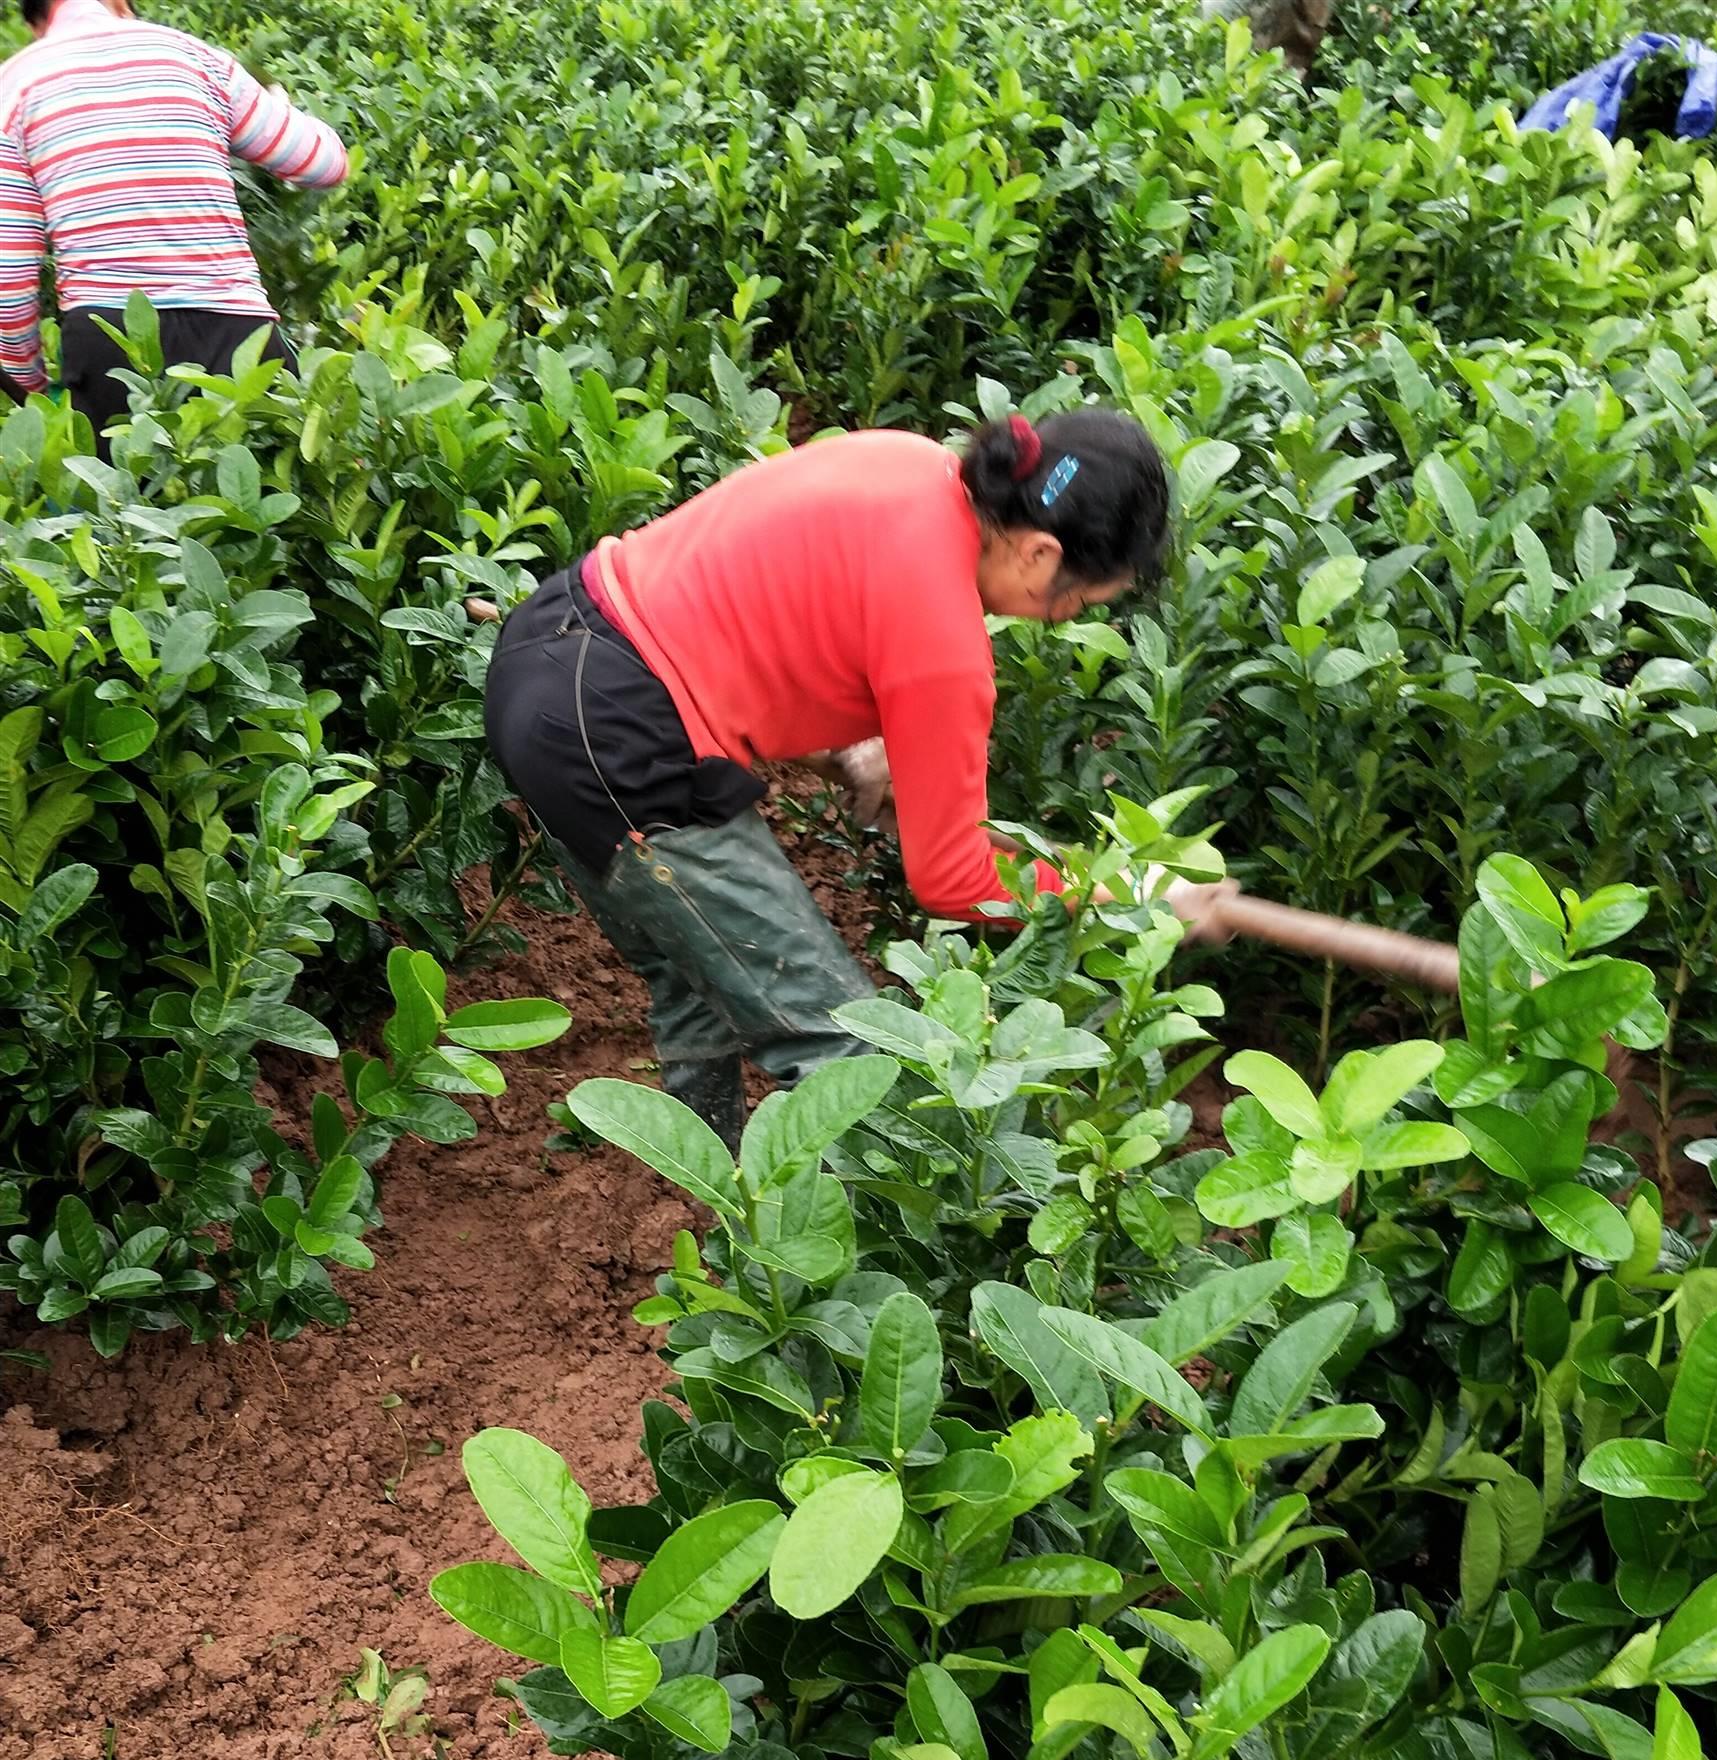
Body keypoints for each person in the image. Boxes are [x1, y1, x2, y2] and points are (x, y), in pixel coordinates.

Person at [483, 409, 1233, 1150]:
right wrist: (1131, 894)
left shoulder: (907, 462)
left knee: (702, 976)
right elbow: (954, 878)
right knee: (847, 1052)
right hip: (615, 743)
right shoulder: (943, 644)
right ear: (1039, 554)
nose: (1060, 618)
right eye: (1074, 601)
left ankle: (716, 1212)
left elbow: (789, 608)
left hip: (551, 652)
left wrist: (864, 738)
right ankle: (816, 1261)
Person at [0, 0, 347, 437]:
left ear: (36, 23)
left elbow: (8, 274)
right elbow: (326, 163)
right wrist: (278, 107)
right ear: (122, 5)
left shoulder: (13, 84)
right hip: (240, 337)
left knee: (126, 501)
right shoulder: (196, 56)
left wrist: (29, 386)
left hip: (109, 345)